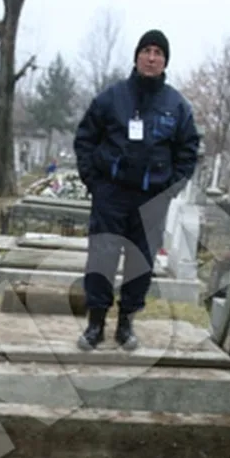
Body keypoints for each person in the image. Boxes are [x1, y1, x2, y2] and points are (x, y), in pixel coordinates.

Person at [72, 29, 201, 351]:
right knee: (102, 258)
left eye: (158, 52)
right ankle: (95, 324)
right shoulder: (111, 97)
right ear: (137, 56)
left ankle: (126, 324)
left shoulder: (177, 105)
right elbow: (85, 138)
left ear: (165, 61)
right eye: (147, 50)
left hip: (151, 198)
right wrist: (94, 181)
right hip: (111, 194)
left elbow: (188, 151)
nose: (152, 57)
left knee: (140, 262)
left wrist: (169, 190)